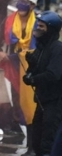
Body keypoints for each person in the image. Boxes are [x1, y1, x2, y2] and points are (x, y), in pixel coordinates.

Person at [0, 0, 38, 154]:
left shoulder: (40, 23)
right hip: (14, 68)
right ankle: (27, 144)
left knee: (33, 108)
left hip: (33, 70)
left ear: (32, 6)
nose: (20, 5)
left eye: (24, 2)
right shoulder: (9, 21)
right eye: (19, 1)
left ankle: (34, 145)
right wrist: (0, 52)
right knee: (18, 106)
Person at [23, 11, 62, 156]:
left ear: (50, 29)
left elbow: (53, 74)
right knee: (37, 140)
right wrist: (30, 71)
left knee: (48, 142)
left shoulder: (58, 49)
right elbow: (36, 70)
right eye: (37, 25)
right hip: (41, 100)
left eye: (41, 27)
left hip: (55, 102)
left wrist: (34, 79)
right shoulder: (40, 48)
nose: (37, 29)